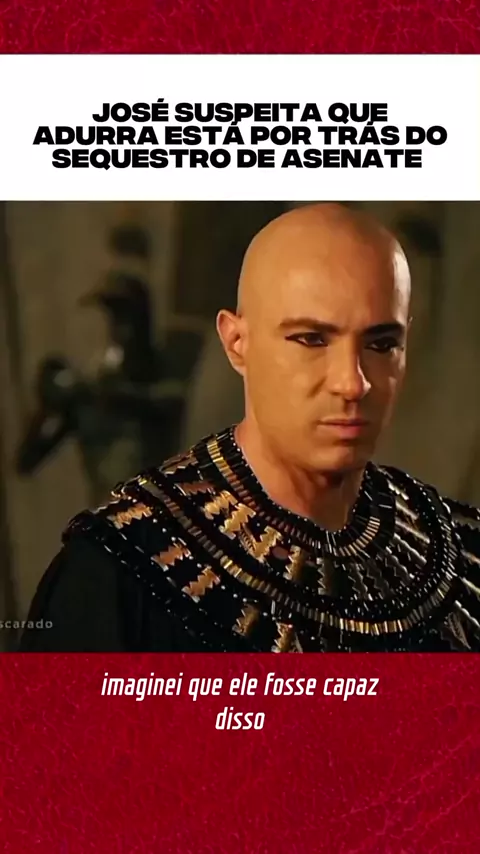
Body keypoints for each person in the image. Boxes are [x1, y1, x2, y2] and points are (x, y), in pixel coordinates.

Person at [20, 204, 480, 652]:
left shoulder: (461, 553)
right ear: (237, 343)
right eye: (311, 339)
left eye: (381, 343)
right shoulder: (120, 571)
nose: (352, 383)